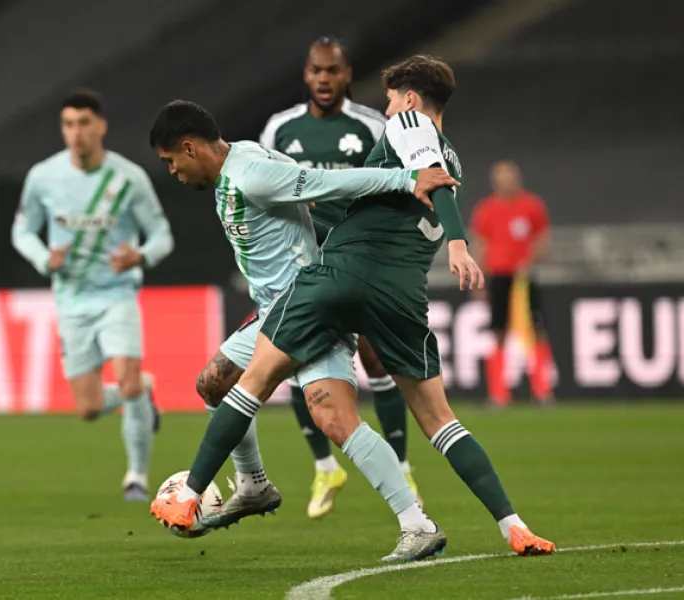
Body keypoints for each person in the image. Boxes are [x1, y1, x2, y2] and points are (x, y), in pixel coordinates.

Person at [157, 55, 556, 560]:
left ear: (410, 99)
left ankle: (193, 493)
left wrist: (458, 243)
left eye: (390, 100)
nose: (386, 111)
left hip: (335, 283)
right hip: (401, 295)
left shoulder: (409, 125)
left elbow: (420, 176)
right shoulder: (452, 158)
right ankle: (511, 525)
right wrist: (321, 194)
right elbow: (396, 188)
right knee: (433, 420)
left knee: (259, 387)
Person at [146, 99, 456, 560]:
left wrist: (406, 179)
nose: (172, 171)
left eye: (171, 161)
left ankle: (417, 524)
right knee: (213, 383)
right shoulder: (244, 159)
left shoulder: (250, 173)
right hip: (275, 311)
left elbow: (327, 183)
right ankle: (253, 485)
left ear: (190, 148)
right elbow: (301, 185)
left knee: (334, 419)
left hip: (310, 309)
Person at [259, 36, 419, 518]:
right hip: (301, 262)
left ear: (347, 74)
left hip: (356, 259)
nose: (324, 79)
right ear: (306, 75)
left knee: (375, 359)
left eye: (332, 70)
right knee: (290, 358)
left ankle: (403, 466)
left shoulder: (371, 126)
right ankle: (325, 467)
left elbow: (398, 185)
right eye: (316, 70)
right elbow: (262, 186)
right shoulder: (280, 129)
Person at [11, 89, 173, 501]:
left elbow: (162, 235)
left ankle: (136, 478)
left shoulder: (128, 178)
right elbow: (22, 230)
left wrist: (140, 256)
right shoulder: (43, 177)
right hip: (72, 300)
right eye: (69, 124)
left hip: (118, 294)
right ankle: (143, 391)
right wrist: (44, 258)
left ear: (101, 126)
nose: (76, 132)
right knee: (88, 408)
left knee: (126, 381)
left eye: (84, 123)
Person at [470, 161, 553, 406]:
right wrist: (479, 279)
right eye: (502, 179)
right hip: (498, 276)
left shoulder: (532, 205)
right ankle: (499, 394)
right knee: (498, 332)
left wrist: (530, 259)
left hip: (523, 277)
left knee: (535, 330)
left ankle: (542, 391)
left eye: (510, 178)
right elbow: (480, 244)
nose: (506, 183)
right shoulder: (486, 209)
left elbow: (542, 238)